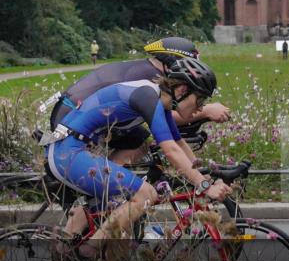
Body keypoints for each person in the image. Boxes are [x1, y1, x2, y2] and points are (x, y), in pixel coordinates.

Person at [45, 57, 231, 257]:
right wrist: (205, 187)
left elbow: (179, 144)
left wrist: (205, 180)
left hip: (72, 149)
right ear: (183, 90)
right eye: (200, 100)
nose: (200, 108)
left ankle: (62, 258)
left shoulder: (159, 101)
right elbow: (170, 150)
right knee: (146, 194)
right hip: (68, 153)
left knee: (112, 206)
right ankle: (89, 252)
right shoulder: (147, 96)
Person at [48, 37, 231, 165]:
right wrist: (206, 111)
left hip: (76, 114)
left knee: (140, 141)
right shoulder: (151, 77)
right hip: (70, 119)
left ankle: (111, 177)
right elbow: (161, 116)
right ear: (172, 63)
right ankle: (109, 184)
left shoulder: (149, 71)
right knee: (139, 143)